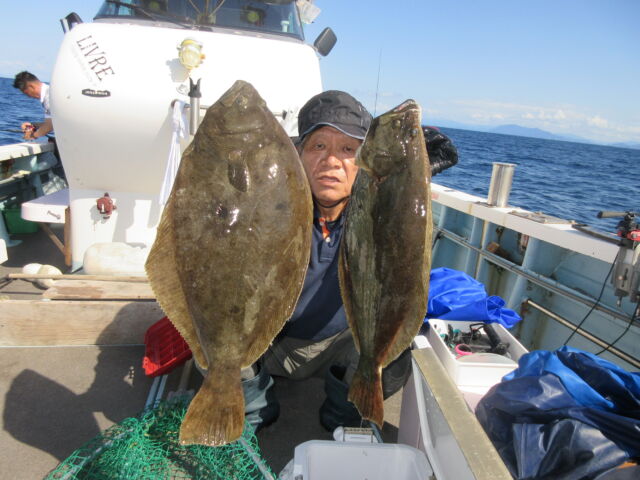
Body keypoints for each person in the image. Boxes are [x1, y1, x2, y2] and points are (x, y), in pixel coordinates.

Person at [240, 90, 459, 433]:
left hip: (342, 347)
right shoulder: (268, 205)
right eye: (318, 146)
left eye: (348, 150)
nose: (332, 161)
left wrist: (411, 168)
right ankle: (254, 409)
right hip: (271, 345)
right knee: (215, 326)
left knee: (399, 343)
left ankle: (344, 412)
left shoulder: (379, 212)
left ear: (364, 161)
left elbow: (400, 197)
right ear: (297, 154)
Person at [12, 71, 54, 141]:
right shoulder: (51, 91)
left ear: (31, 86)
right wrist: (32, 126)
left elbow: (49, 126)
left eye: (26, 93)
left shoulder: (48, 97)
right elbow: (55, 124)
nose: (28, 96)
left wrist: (32, 136)